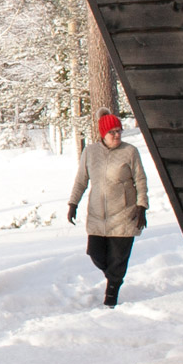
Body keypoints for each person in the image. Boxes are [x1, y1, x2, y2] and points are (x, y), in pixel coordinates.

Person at [67, 111, 148, 306]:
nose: (117, 135)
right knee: (95, 254)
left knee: (118, 259)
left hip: (124, 213)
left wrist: (142, 206)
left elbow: (140, 179)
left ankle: (111, 295)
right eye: (112, 132)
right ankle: (113, 277)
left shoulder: (130, 152)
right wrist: (73, 204)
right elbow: (81, 181)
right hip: (97, 215)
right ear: (103, 133)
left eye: (119, 131)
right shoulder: (90, 152)